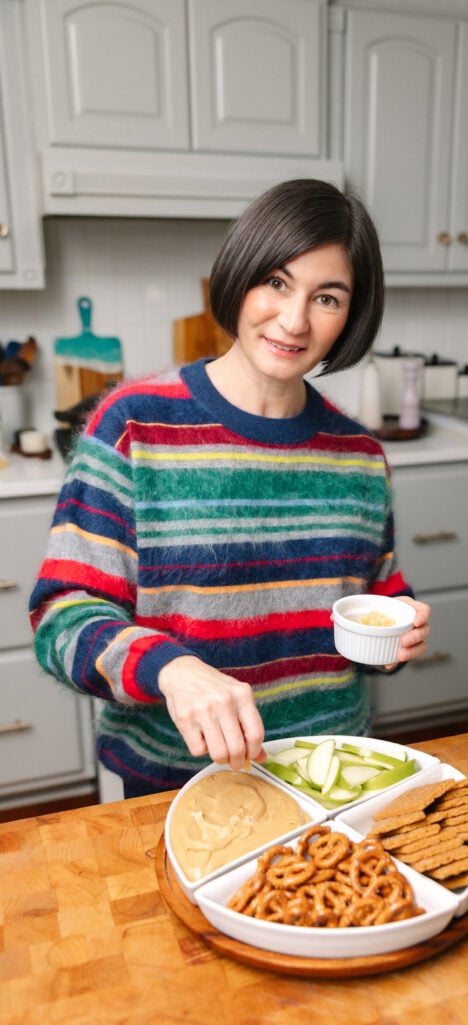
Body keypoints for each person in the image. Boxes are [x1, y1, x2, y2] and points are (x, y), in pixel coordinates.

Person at [29, 178, 431, 798]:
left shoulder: (360, 458)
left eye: (327, 297)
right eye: (275, 282)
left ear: (351, 315)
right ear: (239, 277)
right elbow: (63, 618)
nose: (294, 320)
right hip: (174, 781)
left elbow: (374, 593)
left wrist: (397, 630)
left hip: (328, 776)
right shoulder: (135, 425)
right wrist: (172, 670)